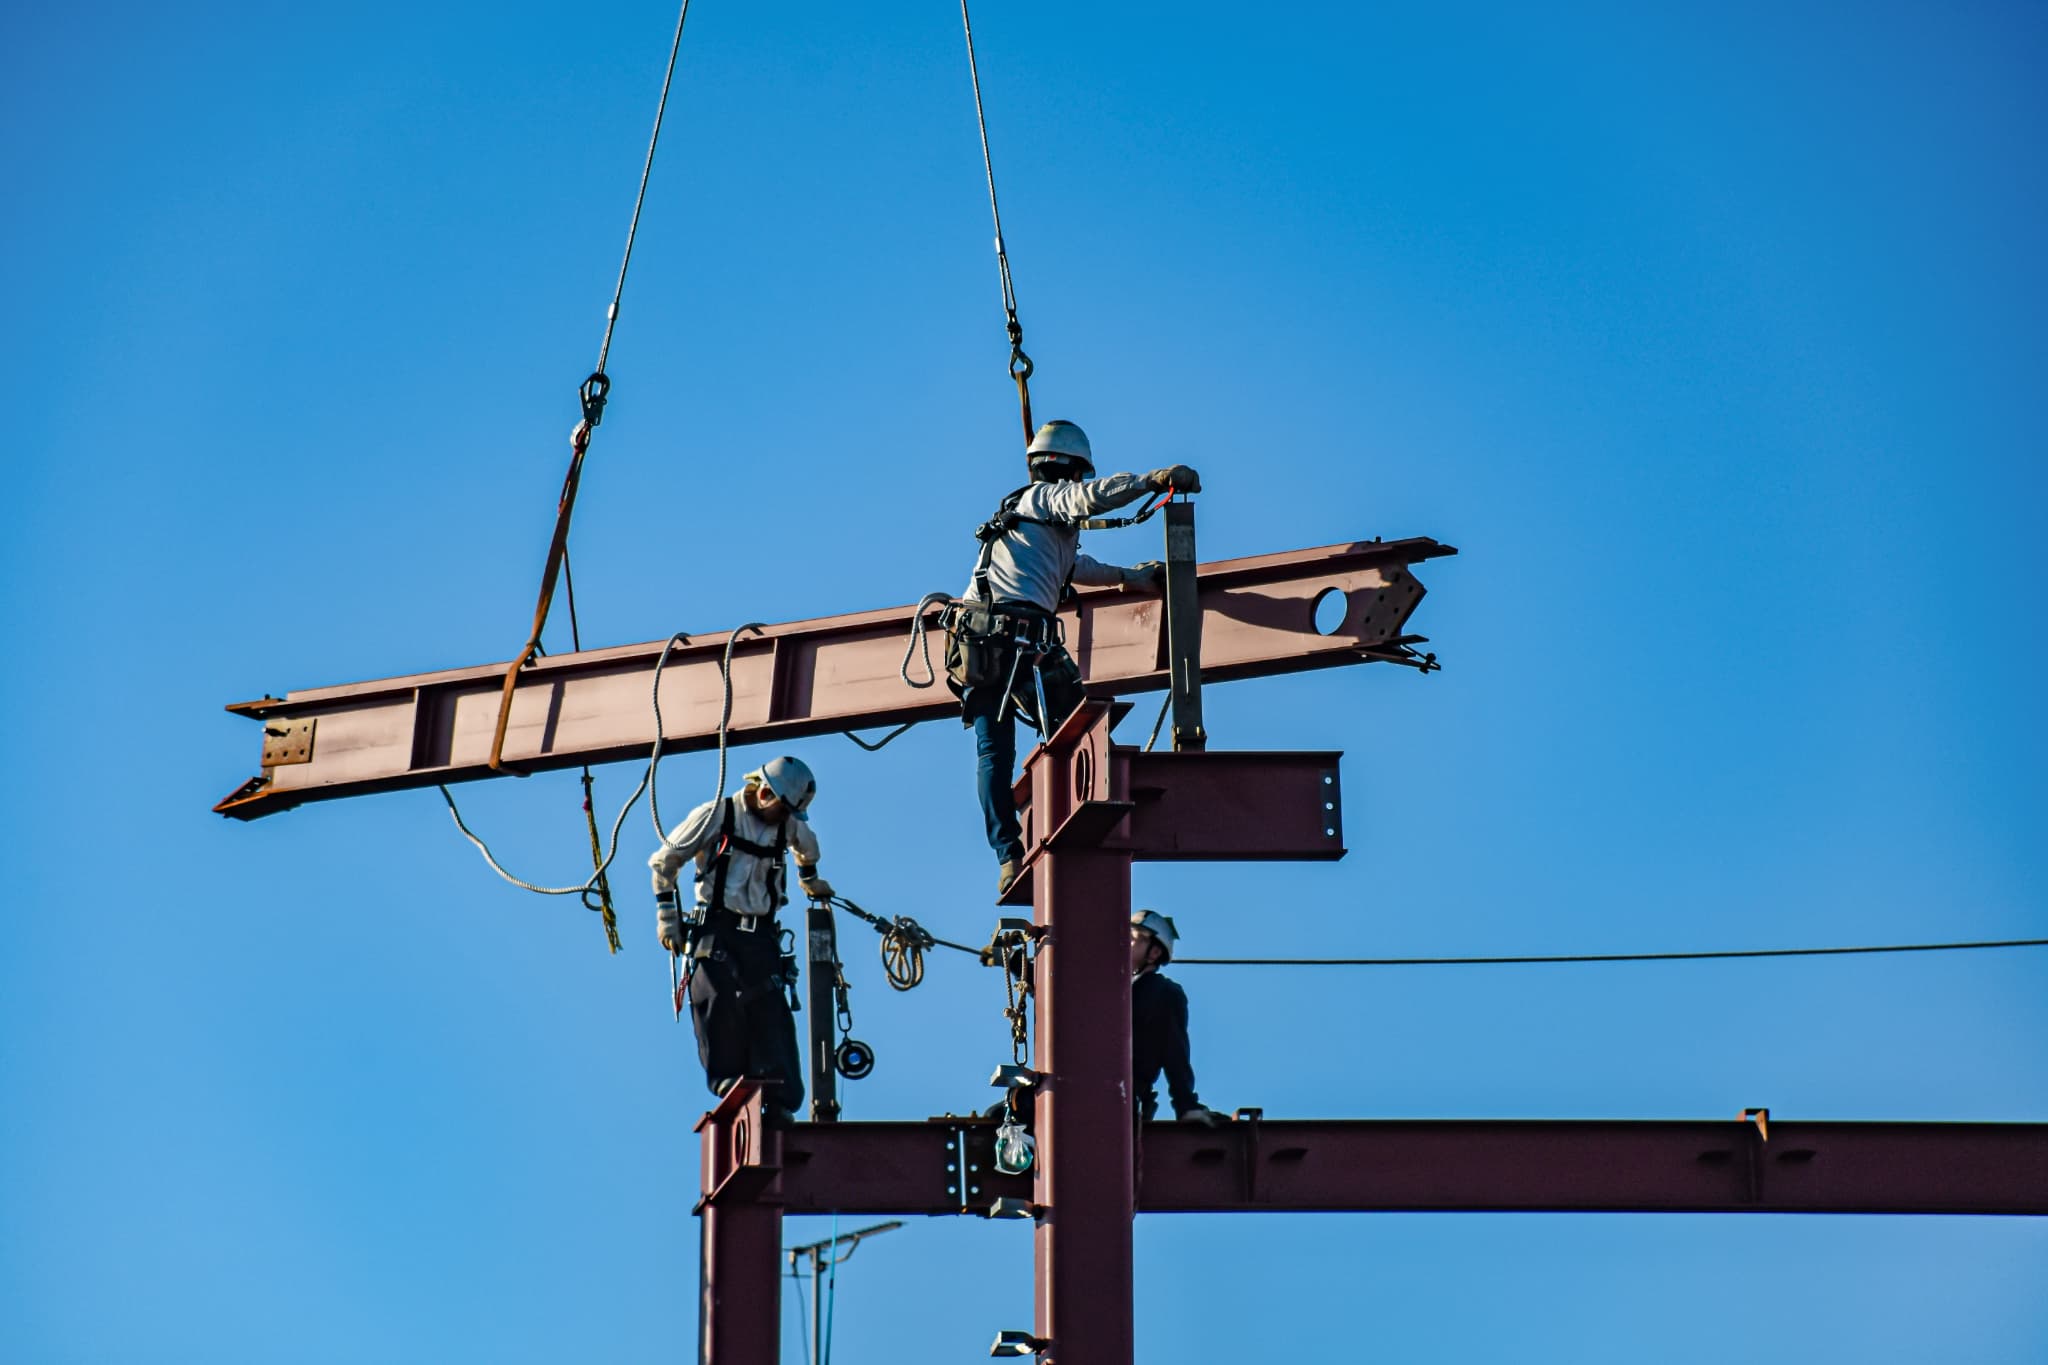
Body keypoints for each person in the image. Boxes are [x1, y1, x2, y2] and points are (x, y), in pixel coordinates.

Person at [947, 419, 1202, 893]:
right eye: (1079, 475)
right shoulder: (1043, 499)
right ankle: (1055, 828)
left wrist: (1132, 578)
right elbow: (1087, 500)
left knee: (999, 753)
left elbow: (1076, 567)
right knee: (1067, 734)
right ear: (1067, 469)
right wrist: (1153, 480)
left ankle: (1016, 851)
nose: (1081, 484)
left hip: (982, 645)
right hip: (1014, 641)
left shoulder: (1032, 528)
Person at [649, 755, 834, 1118]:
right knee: (717, 1001)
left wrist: (809, 879)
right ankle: (732, 1085)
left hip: (761, 936)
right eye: (782, 809)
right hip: (717, 930)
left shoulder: (788, 825)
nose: (785, 819)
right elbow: (663, 863)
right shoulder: (717, 815)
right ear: (765, 793)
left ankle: (778, 1099)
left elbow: (807, 849)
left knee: (770, 1011)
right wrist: (667, 917)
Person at [1129, 909, 1229, 1127]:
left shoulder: (1162, 992)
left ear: (1154, 953)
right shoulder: (1108, 992)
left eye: (1132, 939)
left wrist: (1186, 1105)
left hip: (1122, 1098)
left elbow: (1174, 1050)